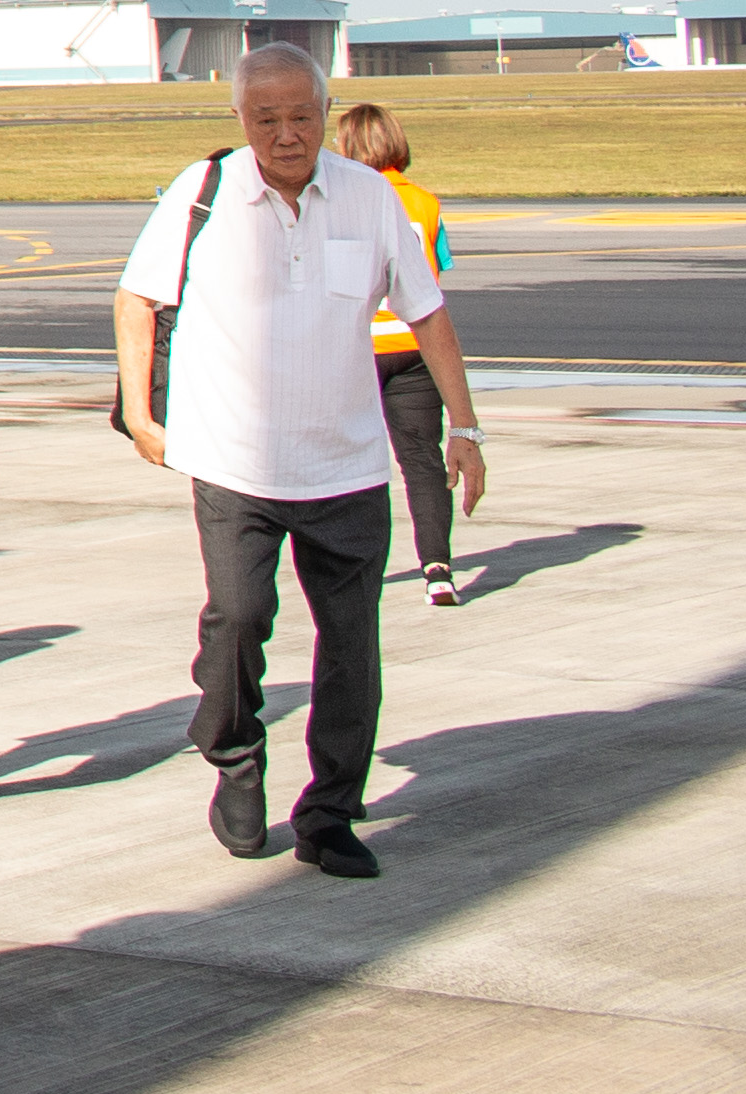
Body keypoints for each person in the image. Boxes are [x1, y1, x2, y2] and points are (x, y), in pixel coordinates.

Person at [119, 48, 491, 877]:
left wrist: (464, 428)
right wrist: (143, 412)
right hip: (234, 460)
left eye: (303, 117)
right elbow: (137, 296)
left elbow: (427, 313)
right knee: (240, 618)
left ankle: (329, 812)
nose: (287, 136)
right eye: (266, 119)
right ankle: (233, 751)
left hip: (348, 465)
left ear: (328, 111)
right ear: (239, 120)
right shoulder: (201, 194)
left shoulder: (369, 196)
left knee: (352, 646)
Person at [335, 100, 466, 607]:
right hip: (414, 345)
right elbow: (438, 270)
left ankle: (356, 568)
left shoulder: (348, 197)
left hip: (360, 344)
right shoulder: (425, 202)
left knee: (350, 463)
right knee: (421, 460)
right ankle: (437, 568)